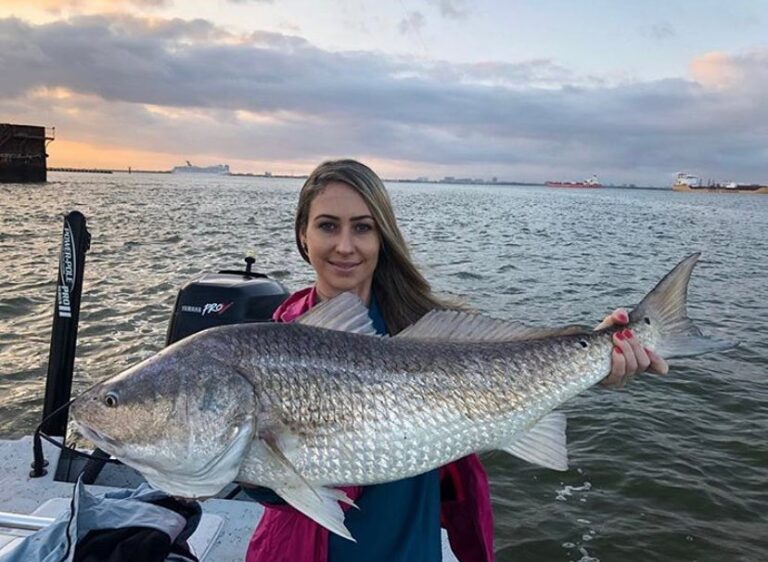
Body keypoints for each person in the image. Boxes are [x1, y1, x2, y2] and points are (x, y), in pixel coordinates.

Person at [245, 159, 668, 562]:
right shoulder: (270, 347)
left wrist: (600, 353)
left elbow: (521, 362)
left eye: (363, 228)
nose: (344, 246)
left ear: (382, 238)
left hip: (410, 550)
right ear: (303, 235)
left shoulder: (431, 330)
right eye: (327, 226)